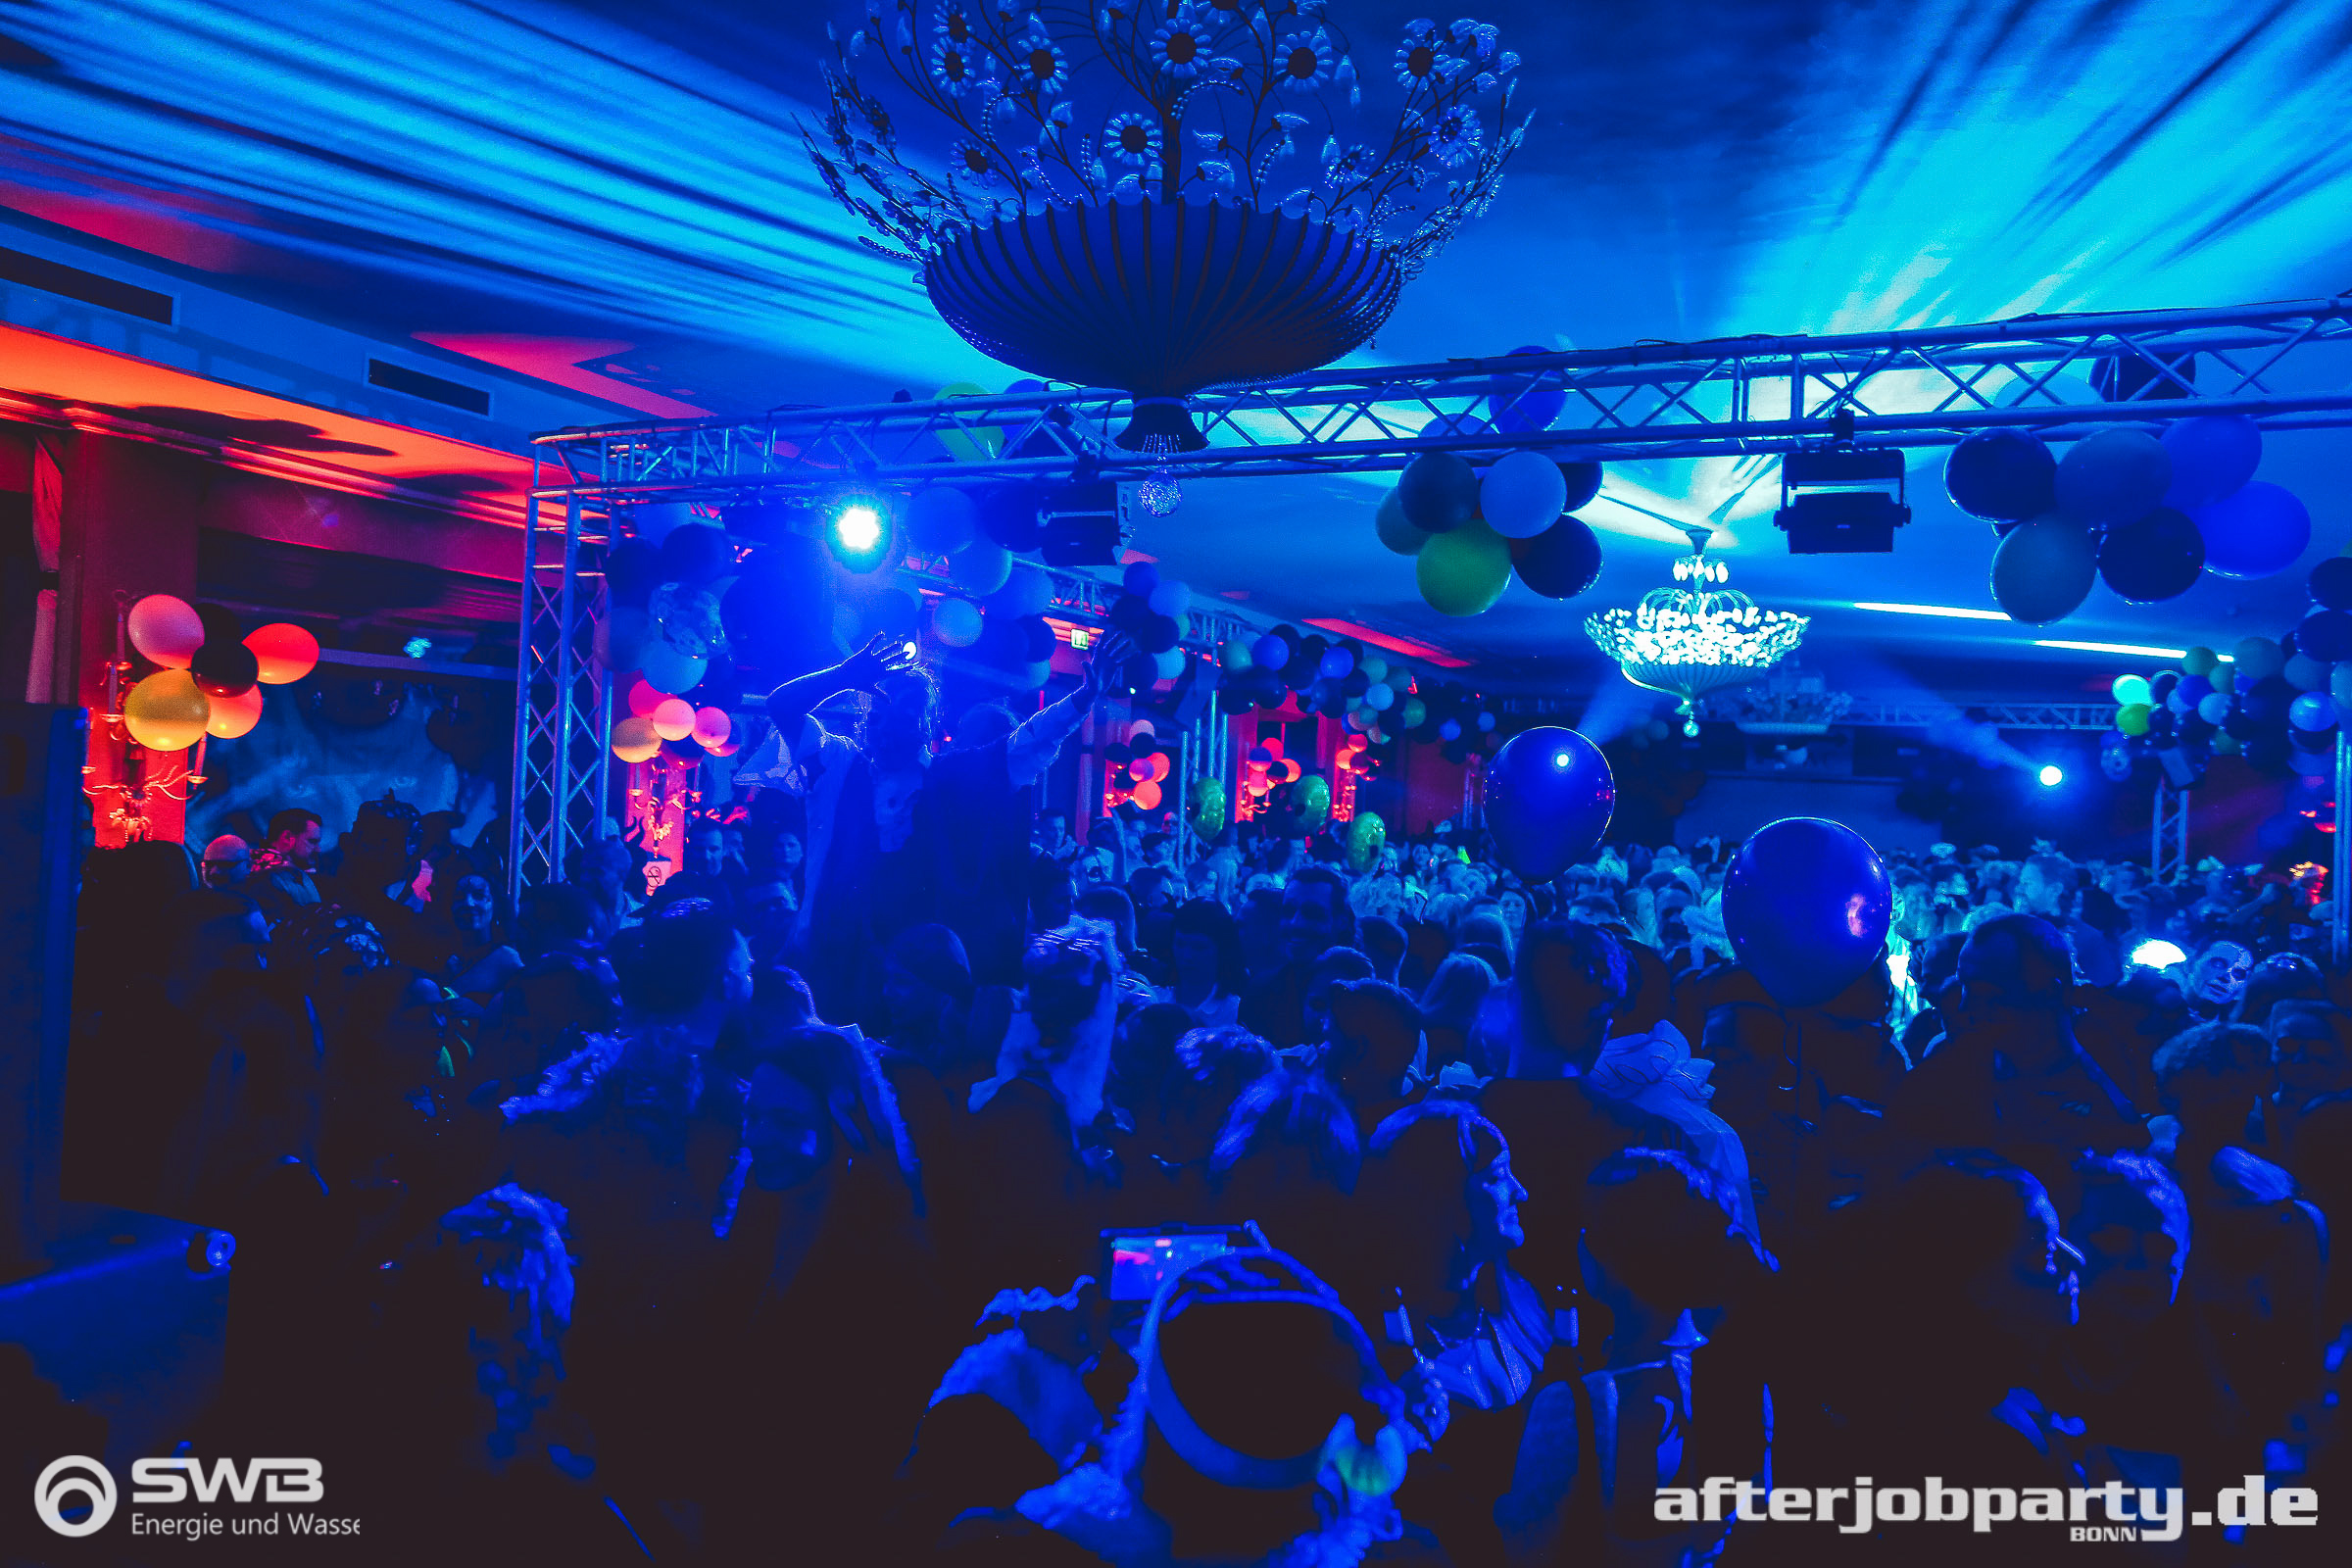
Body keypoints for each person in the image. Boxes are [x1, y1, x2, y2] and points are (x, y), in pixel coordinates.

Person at [746, 628, 1134, 1016]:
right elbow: (781, 706)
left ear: (927, 724)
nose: (887, 732)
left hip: (923, 982)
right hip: (834, 961)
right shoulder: (838, 767)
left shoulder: (954, 777)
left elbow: (1028, 743)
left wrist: (1084, 696)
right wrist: (843, 677)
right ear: (864, 723)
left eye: (903, 718)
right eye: (877, 719)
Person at [248, 807, 322, 923]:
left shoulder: (257, 871)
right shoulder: (269, 880)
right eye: (312, 841)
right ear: (287, 838)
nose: (318, 849)